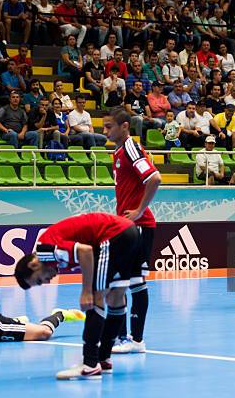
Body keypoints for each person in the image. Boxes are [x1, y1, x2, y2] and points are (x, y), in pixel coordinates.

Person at [14, 212, 142, 379]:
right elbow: (88, 253)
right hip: (129, 232)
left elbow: (85, 251)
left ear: (33, 264)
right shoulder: (49, 251)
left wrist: (86, 291)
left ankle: (89, 365)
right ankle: (103, 360)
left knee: (96, 298)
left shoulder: (44, 251)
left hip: (113, 234)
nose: (45, 282)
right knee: (115, 297)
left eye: (39, 280)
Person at [103, 108, 161, 355]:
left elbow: (155, 178)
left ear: (124, 126)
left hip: (138, 225)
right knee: (119, 281)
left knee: (134, 282)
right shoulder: (118, 152)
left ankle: (134, 340)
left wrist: (138, 211)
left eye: (109, 127)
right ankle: (123, 338)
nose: (104, 131)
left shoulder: (130, 148)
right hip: (125, 226)